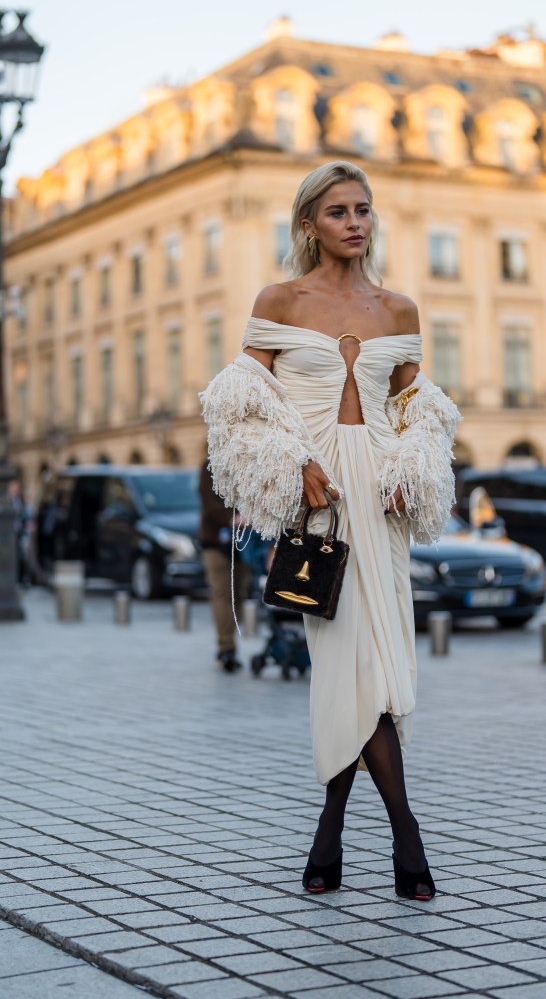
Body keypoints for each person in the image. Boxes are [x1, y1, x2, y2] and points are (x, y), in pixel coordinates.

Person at [200, 160, 462, 900]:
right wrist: (291, 464)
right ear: (309, 222)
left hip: (377, 508)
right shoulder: (279, 300)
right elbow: (237, 404)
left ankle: (330, 831)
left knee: (377, 672)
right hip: (321, 508)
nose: (355, 222)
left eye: (364, 209)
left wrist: (408, 469)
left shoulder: (398, 308)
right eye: (339, 211)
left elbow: (420, 415)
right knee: (354, 669)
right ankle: (407, 840)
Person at [198, 458, 249, 672]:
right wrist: (232, 518)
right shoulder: (210, 464)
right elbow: (209, 503)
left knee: (240, 593)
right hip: (216, 541)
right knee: (221, 593)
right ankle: (226, 647)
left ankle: (228, 642)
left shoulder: (248, 463)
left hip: (244, 539)